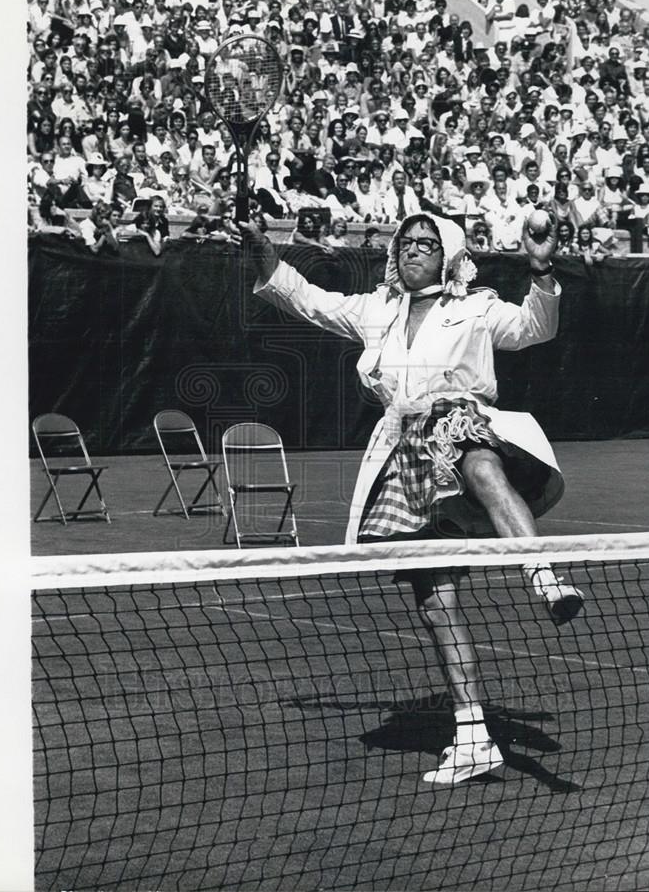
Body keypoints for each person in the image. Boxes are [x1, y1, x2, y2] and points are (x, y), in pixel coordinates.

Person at [235, 210, 584, 786]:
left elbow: (532, 328)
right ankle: (473, 735)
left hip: (460, 419)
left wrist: (541, 268)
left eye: (426, 243)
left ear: (447, 256)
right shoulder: (377, 309)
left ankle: (544, 577)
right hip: (403, 452)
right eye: (407, 243)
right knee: (435, 599)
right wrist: (262, 254)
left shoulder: (475, 307)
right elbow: (307, 299)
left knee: (482, 465)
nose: (413, 250)